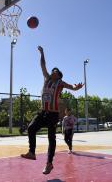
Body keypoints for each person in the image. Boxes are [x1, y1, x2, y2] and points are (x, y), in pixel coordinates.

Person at [21, 46, 84, 174]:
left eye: (55, 70)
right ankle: (32, 152)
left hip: (53, 114)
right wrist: (42, 53)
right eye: (53, 70)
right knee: (31, 128)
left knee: (51, 138)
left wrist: (76, 87)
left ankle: (49, 163)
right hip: (42, 112)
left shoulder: (60, 83)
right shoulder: (47, 79)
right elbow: (43, 65)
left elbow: (71, 86)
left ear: (59, 75)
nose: (53, 71)